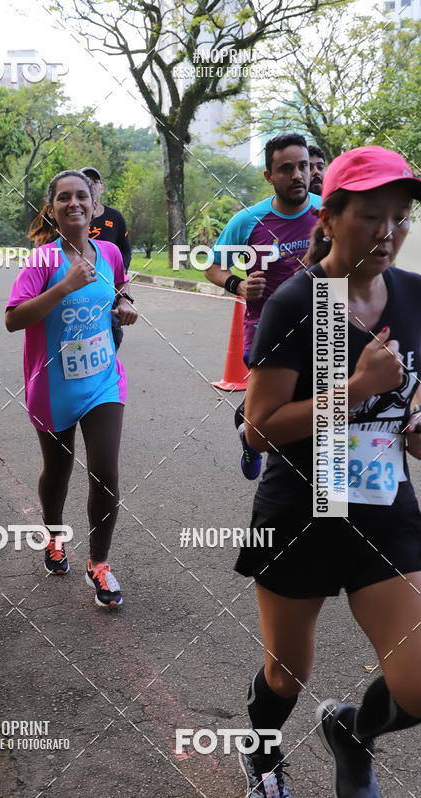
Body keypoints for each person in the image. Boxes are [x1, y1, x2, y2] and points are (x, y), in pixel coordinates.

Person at [235, 145, 421, 798]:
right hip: (301, 513)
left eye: (401, 217)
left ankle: (352, 733)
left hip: (383, 508)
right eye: (372, 215)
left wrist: (415, 417)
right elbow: (259, 424)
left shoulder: (413, 293)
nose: (389, 233)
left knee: (419, 683)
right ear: (331, 215)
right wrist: (359, 384)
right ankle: (260, 758)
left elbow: (415, 391)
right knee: (286, 675)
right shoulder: (297, 302)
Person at [5, 170, 137, 608]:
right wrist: (63, 286)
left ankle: (99, 564)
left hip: (102, 380)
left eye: (82, 196)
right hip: (52, 386)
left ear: (94, 206)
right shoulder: (42, 261)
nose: (74, 203)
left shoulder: (111, 252)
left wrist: (124, 304)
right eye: (64, 198)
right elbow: (13, 318)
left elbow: (120, 290)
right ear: (53, 209)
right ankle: (54, 535)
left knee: (107, 472)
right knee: (57, 473)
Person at [205, 133, 322, 480]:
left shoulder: (327, 210)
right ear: (269, 177)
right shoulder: (247, 221)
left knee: (311, 410)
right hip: (266, 329)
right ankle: (251, 433)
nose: (298, 175)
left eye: (303, 166)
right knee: (272, 413)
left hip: (322, 324)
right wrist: (238, 284)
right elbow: (212, 266)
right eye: (286, 169)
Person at [80, 166, 132, 350]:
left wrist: (120, 273)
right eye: (85, 181)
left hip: (109, 283)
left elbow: (125, 249)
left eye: (94, 182)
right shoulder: (73, 216)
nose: (90, 185)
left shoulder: (115, 217)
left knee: (112, 330)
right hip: (78, 282)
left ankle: (107, 363)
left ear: (102, 187)